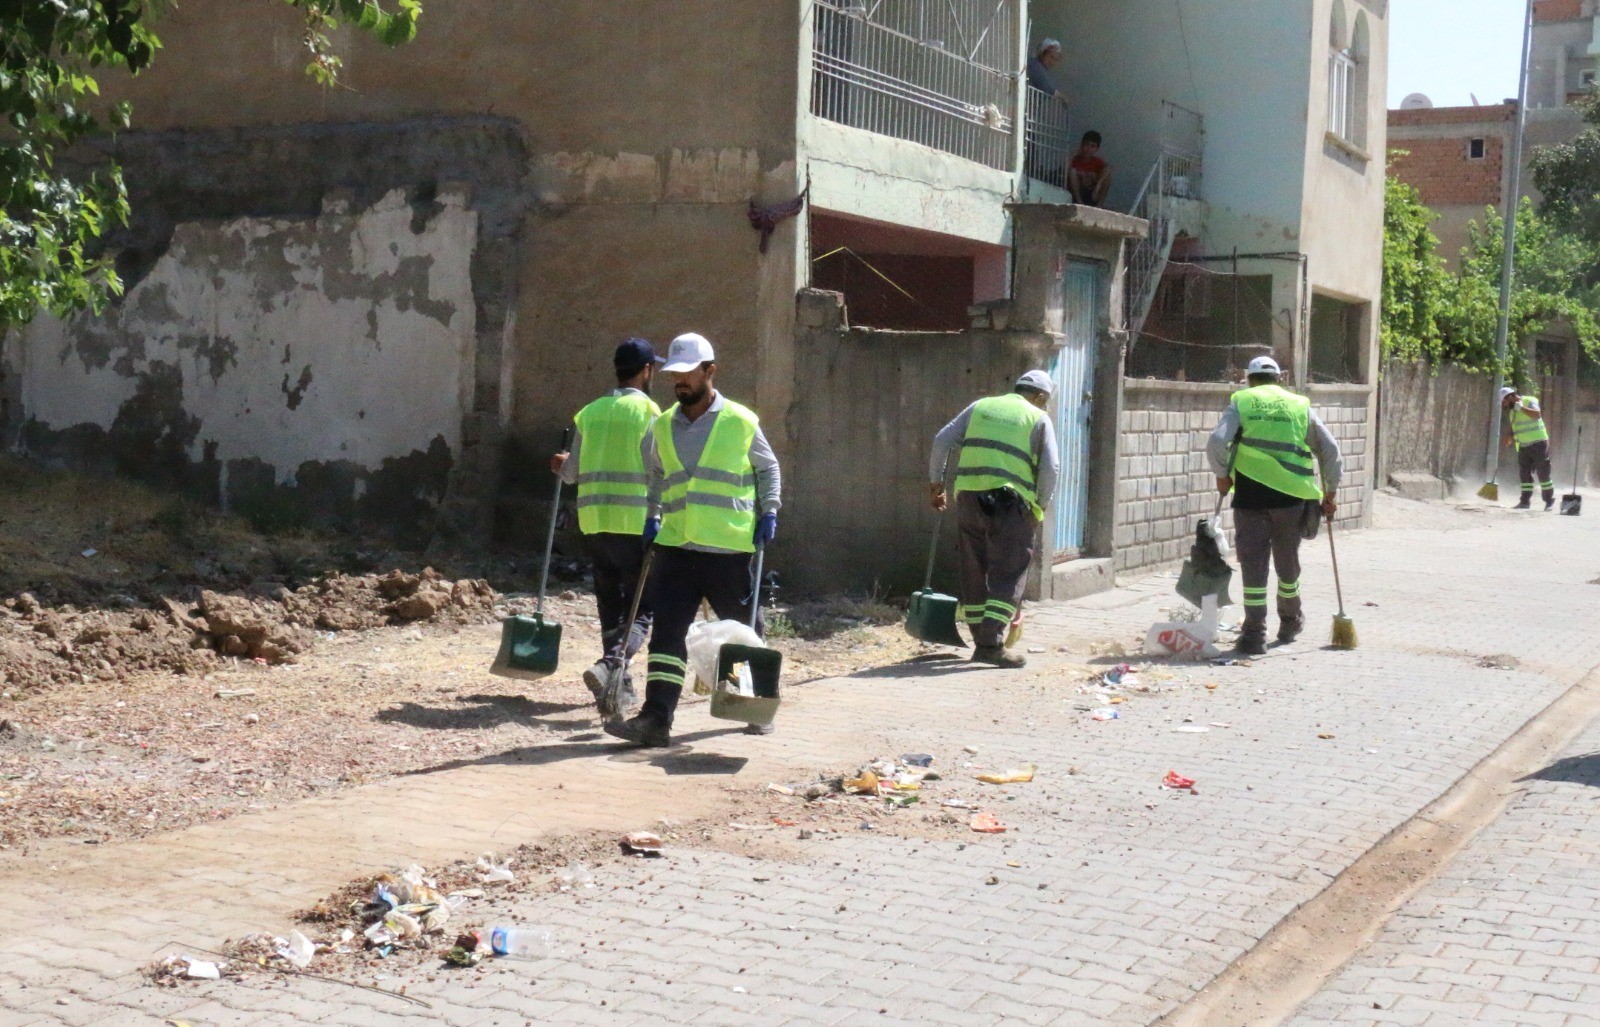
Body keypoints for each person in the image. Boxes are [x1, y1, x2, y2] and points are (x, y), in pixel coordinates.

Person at [604, 332, 782, 748]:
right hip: (678, 547)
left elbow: (767, 468)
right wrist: (653, 515)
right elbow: (656, 474)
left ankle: (754, 707)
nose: (679, 381)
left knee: (742, 632)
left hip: (727, 549)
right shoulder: (663, 425)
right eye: (674, 374)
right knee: (667, 636)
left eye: (688, 373)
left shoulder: (741, 420)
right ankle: (655, 719)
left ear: (709, 371)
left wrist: (770, 509)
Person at [550, 338, 664, 718]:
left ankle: (616, 691)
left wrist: (561, 463)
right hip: (634, 524)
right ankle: (610, 665)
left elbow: (570, 474)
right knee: (641, 610)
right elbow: (657, 469)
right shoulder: (649, 412)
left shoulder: (590, 413)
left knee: (611, 606)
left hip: (595, 522)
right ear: (646, 371)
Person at [1206, 355, 1342, 656]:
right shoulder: (1299, 405)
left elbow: (1217, 441)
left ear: (1249, 379)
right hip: (1291, 499)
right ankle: (1290, 622)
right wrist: (1330, 493)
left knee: (1253, 565)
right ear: (1279, 379)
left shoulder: (1242, 401)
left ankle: (1254, 634)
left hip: (1251, 497)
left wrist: (1222, 475)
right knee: (1287, 562)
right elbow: (1329, 449)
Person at [928, 370, 1061, 669]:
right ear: (1040, 396)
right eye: (1045, 400)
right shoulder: (1038, 418)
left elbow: (941, 440)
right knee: (1009, 571)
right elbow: (1051, 467)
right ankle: (990, 645)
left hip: (968, 499)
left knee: (974, 568)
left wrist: (937, 485)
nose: (1045, 405)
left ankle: (981, 639)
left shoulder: (981, 407)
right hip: (1009, 503)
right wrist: (1039, 507)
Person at [1500, 385, 1555, 510]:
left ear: (1511, 397)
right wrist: (1509, 437)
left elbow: (1537, 414)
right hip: (1524, 446)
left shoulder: (1529, 401)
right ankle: (1524, 502)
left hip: (1539, 443)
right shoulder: (1512, 412)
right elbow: (1514, 427)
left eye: (1505, 402)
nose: (1504, 405)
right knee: (1525, 474)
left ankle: (1549, 501)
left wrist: (1521, 408)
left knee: (1543, 473)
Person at [1024, 39, 1070, 187]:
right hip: (1023, 115)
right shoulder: (1034, 65)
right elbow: (1046, 86)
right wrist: (1062, 98)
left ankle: (1031, 175)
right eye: (1051, 57)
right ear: (1043, 53)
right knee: (1029, 149)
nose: (1053, 62)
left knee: (1030, 148)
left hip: (1027, 115)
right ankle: (1029, 177)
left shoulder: (1038, 67)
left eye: (1056, 59)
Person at [1068, 131, 1112, 207]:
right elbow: (1066, 167)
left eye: (1092, 146)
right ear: (1082, 145)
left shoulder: (1097, 162)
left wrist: (1098, 185)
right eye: (1086, 145)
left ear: (1097, 149)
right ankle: (1080, 204)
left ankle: (1099, 206)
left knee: (1107, 176)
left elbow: (1108, 168)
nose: (1088, 149)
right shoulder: (1075, 159)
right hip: (1078, 194)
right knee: (1072, 172)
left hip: (1093, 194)